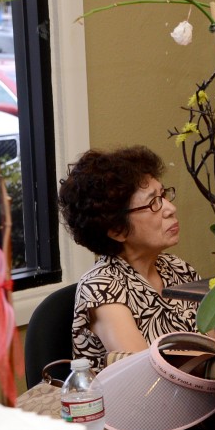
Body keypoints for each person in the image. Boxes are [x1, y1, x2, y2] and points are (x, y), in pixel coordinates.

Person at [58, 146, 201, 369]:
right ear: (117, 230)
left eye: (163, 195)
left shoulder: (178, 268)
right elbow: (147, 374)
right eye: (154, 202)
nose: (171, 208)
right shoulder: (101, 287)